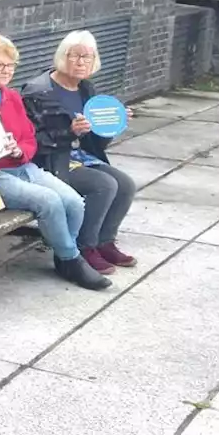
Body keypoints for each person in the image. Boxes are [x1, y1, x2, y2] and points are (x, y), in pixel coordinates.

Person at [0, 33, 110, 291]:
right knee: (49, 202)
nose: (6, 71)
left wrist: (17, 150)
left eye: (10, 65)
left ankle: (64, 255)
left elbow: (29, 139)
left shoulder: (11, 96)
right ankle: (72, 259)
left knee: (74, 203)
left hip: (22, 166)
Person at [22, 30, 137, 273]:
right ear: (62, 57)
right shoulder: (38, 91)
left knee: (126, 183)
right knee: (104, 184)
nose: (81, 62)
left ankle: (104, 241)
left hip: (78, 157)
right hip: (50, 161)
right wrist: (70, 132)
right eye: (75, 56)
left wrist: (112, 125)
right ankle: (84, 247)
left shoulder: (86, 89)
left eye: (87, 57)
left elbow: (94, 143)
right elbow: (31, 141)